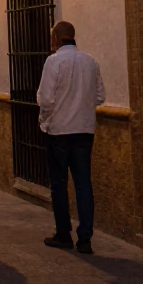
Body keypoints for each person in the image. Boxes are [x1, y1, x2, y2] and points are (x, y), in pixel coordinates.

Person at [37, 20, 106, 254]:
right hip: (84, 131)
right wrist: (81, 104)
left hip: (59, 132)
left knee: (59, 185)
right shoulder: (91, 62)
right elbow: (100, 96)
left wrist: (46, 118)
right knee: (84, 184)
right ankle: (85, 238)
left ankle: (63, 234)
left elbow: (45, 99)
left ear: (56, 38)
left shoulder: (53, 61)